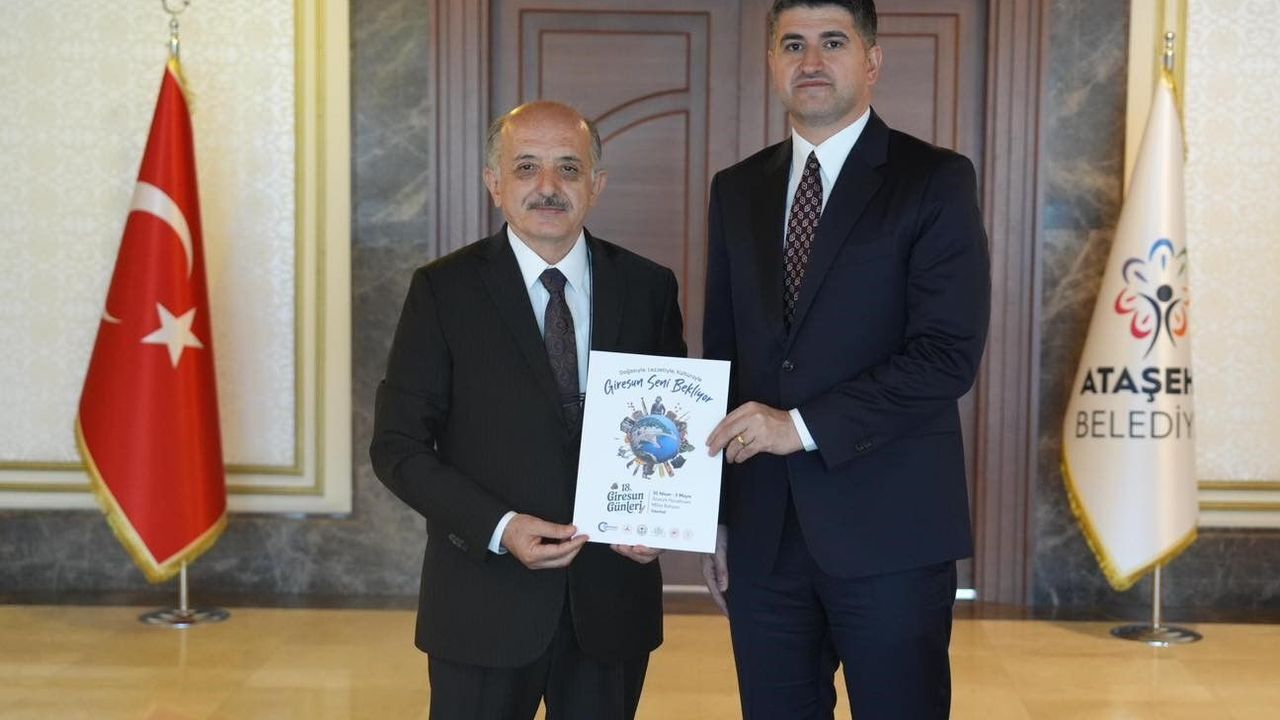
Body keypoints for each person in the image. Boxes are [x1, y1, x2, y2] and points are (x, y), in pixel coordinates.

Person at [700, 1, 991, 718]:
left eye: (833, 42)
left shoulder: (935, 180)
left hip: (891, 530)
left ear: (872, 60)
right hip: (764, 537)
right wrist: (713, 514)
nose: (811, 61)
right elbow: (723, 357)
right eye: (792, 44)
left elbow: (946, 356)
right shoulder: (736, 189)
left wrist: (798, 426)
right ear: (771, 62)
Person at [371, 101, 686, 720]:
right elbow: (397, 447)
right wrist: (500, 526)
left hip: (610, 604)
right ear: (494, 183)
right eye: (526, 167)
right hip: (481, 605)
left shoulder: (649, 288)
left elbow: (671, 425)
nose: (548, 186)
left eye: (569, 168)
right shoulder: (442, 291)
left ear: (596, 185)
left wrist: (656, 522)